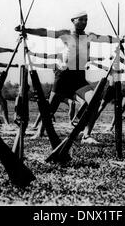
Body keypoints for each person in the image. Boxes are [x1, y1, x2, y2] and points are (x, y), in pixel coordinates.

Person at [15, 11, 118, 144]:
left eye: (86, 19)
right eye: (80, 19)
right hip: (63, 75)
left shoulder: (89, 36)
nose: (84, 22)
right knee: (51, 108)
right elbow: (45, 32)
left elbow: (105, 38)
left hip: (79, 76)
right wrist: (26, 30)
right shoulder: (66, 34)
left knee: (94, 100)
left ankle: (86, 135)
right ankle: (40, 131)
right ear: (73, 20)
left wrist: (117, 39)